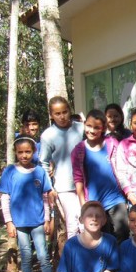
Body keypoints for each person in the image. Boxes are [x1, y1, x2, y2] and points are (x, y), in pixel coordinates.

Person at [0, 137, 57, 272]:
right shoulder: (9, 172)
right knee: (26, 259)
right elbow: (5, 198)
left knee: (44, 258)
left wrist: (47, 219)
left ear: (34, 152)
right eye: (20, 152)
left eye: (28, 152)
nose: (24, 155)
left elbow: (46, 197)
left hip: (38, 221)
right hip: (19, 224)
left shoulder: (39, 171)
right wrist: (9, 222)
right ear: (15, 152)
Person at [71, 109, 127, 241]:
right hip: (94, 202)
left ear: (103, 128)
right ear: (84, 124)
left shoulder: (112, 143)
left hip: (116, 199)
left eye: (97, 127)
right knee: (101, 239)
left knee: (123, 234)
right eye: (89, 126)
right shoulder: (78, 150)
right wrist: (84, 204)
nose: (92, 130)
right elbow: (78, 179)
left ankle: (121, 261)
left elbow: (122, 167)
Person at [39, 96, 85, 239]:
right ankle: (73, 258)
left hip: (85, 182)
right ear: (51, 115)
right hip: (64, 186)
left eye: (64, 112)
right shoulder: (48, 135)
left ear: (69, 110)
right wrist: (50, 188)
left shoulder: (81, 127)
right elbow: (44, 162)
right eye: (57, 113)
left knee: (87, 222)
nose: (62, 116)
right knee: (73, 224)